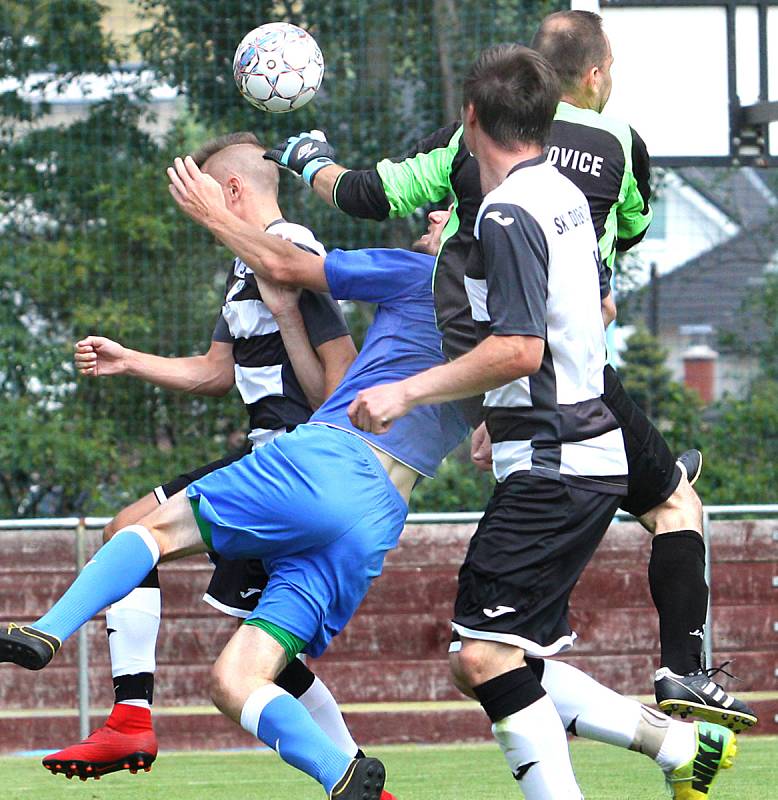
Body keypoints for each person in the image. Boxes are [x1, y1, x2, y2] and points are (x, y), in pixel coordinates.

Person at [262, 10, 756, 732]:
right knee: (672, 509)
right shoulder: (620, 146)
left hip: (508, 384)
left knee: (489, 652)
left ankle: (667, 735)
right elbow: (617, 259)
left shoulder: (467, 145)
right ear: (593, 75)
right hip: (578, 382)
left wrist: (309, 159)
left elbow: (368, 195)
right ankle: (683, 671)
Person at [0, 180, 470, 799]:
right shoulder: (505, 338)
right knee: (237, 681)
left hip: (324, 461)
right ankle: (347, 776)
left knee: (149, 530)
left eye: (449, 213)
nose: (433, 215)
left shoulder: (423, 273)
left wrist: (210, 212)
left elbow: (284, 260)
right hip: (379, 516)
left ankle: (47, 631)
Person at [42, 131, 371, 785]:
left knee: (142, 542)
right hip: (263, 463)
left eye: (198, 189)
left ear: (231, 191)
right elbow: (217, 372)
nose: (189, 203)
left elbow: (337, 383)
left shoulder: (294, 248)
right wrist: (129, 360)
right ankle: (358, 777)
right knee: (255, 643)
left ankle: (132, 722)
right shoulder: (244, 267)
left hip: (295, 469)